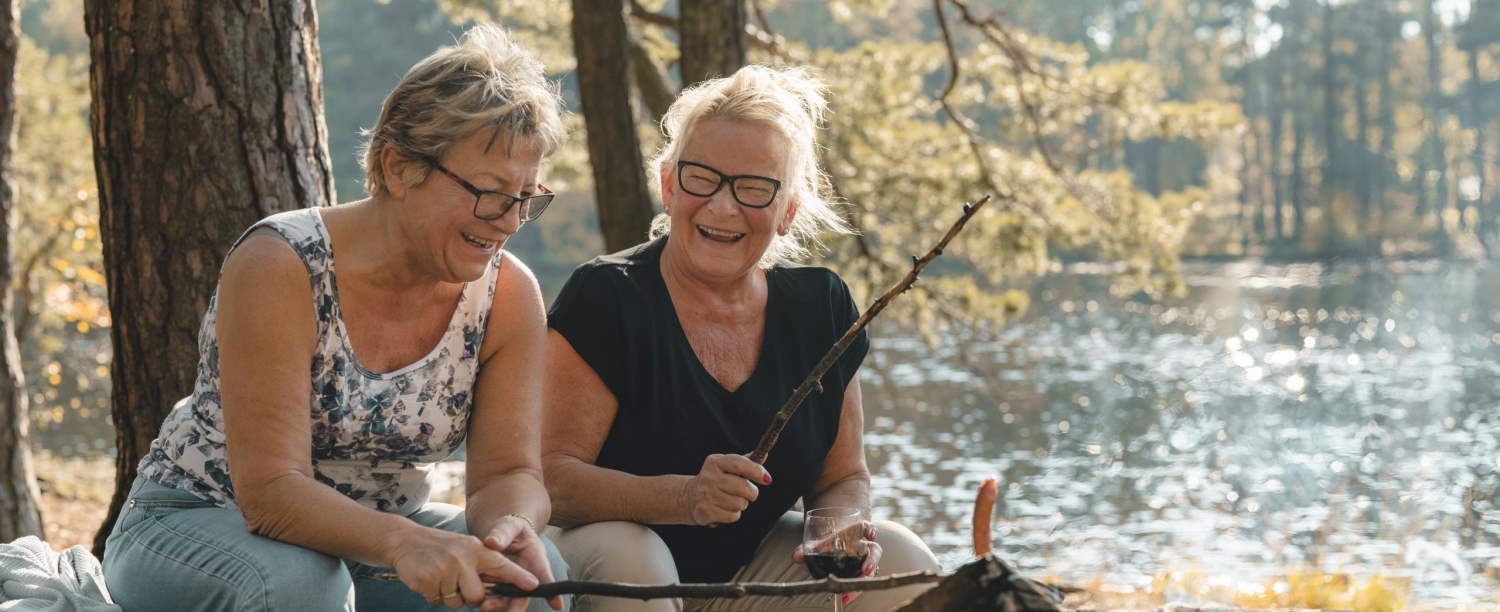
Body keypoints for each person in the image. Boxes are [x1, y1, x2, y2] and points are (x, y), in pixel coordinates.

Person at [102, 24, 569, 612]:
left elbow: (509, 471)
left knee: (535, 573)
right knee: (302, 587)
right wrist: (406, 544)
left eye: (527, 198)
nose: (508, 220)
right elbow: (271, 493)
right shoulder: (281, 264)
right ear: (399, 167)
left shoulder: (509, 296)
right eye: (491, 191)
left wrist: (511, 527)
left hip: (371, 545)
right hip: (200, 519)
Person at [542, 65, 941, 612]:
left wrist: (840, 529)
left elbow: (843, 476)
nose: (723, 205)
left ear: (787, 211)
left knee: (901, 561)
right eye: (701, 177)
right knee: (636, 556)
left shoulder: (820, 308)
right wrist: (684, 497)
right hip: (606, 566)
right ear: (667, 184)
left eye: (754, 188)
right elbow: (551, 481)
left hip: (743, 577)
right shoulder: (607, 296)